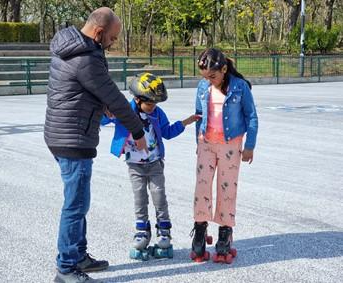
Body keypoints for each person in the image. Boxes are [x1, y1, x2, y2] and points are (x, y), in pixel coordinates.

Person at [44, 7, 148, 283]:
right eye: (112, 38)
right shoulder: (85, 58)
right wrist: (137, 130)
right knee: (75, 205)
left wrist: (101, 108)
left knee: (78, 202)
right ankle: (66, 269)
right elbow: (114, 97)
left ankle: (78, 256)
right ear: (99, 32)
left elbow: (77, 91)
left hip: (62, 133)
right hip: (72, 138)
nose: (113, 44)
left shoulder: (74, 47)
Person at [101, 73, 200, 260]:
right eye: (149, 104)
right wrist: (105, 110)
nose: (153, 107)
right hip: (135, 166)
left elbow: (168, 132)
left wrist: (185, 122)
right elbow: (103, 120)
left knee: (159, 197)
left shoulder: (156, 113)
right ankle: (142, 233)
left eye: (155, 104)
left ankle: (164, 232)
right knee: (140, 200)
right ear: (137, 99)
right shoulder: (124, 111)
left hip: (155, 164)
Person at [190, 48, 258, 263]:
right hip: (206, 144)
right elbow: (199, 116)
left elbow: (252, 116)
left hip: (231, 145)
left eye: (213, 76)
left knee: (227, 188)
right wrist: (197, 142)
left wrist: (250, 146)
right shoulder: (203, 87)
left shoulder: (240, 87)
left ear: (224, 69)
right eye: (205, 77)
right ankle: (200, 233)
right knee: (202, 187)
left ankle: (224, 236)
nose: (209, 81)